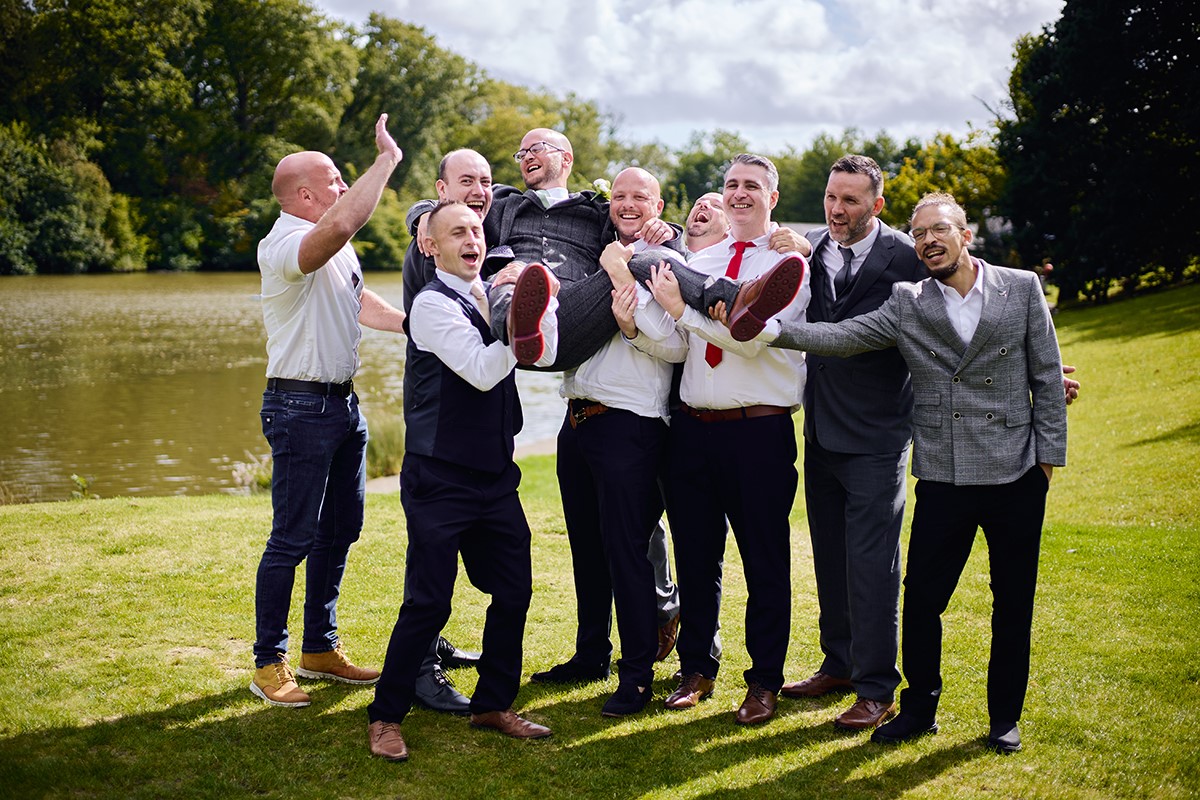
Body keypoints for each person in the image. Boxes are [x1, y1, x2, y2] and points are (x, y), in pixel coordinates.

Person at [748, 192, 1068, 753]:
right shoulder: (908, 300)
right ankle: (919, 708)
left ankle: (1003, 719)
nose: (927, 242)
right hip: (943, 474)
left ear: (965, 235)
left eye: (938, 230)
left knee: (1012, 602)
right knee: (921, 600)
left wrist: (1045, 463)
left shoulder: (1021, 288)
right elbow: (843, 336)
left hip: (1015, 475)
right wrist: (768, 331)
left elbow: (1046, 376)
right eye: (918, 235)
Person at [366, 201, 560, 761]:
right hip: (440, 478)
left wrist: (533, 312)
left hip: (496, 475)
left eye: (476, 229)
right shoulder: (430, 305)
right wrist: (519, 336)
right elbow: (480, 371)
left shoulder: (491, 294)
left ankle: (493, 704)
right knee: (428, 602)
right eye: (457, 232)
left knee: (515, 590)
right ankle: (385, 716)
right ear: (431, 247)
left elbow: (541, 348)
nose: (472, 238)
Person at [647, 154, 809, 726]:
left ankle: (764, 681)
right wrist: (644, 324)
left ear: (773, 194)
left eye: (752, 186)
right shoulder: (699, 261)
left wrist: (683, 313)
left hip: (759, 430)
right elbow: (676, 347)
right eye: (732, 185)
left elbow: (753, 341)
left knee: (764, 561)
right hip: (693, 428)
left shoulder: (791, 262)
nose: (740, 195)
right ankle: (696, 669)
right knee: (696, 558)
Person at [251, 114, 406, 707]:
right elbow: (342, 225)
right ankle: (270, 662)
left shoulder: (331, 250)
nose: (343, 188)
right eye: (336, 179)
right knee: (291, 537)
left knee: (341, 529)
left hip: (342, 406)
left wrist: (411, 323)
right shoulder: (286, 243)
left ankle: (319, 647)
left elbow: (358, 299)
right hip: (298, 407)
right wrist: (384, 162)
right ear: (306, 194)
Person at [773, 154, 928, 732]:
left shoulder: (909, 258)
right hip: (820, 429)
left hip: (880, 433)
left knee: (872, 565)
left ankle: (875, 686)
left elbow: (973, 301)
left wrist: (1043, 366)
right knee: (831, 556)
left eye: (851, 201)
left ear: (877, 205)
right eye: (832, 199)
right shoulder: (810, 250)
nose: (837, 211)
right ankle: (837, 663)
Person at [541, 168, 689, 716]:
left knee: (628, 554)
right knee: (586, 548)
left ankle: (637, 674)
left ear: (658, 204)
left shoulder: (667, 262)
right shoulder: (594, 257)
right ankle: (590, 655)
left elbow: (676, 346)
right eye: (620, 196)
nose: (628, 204)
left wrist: (631, 322)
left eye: (640, 197)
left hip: (631, 425)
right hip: (576, 419)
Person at [395, 148, 496, 715]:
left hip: (474, 431)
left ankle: (432, 646)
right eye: (465, 182)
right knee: (430, 564)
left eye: (485, 181)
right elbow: (423, 215)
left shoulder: (475, 238)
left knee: (454, 559)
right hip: (438, 422)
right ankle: (419, 668)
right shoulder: (429, 245)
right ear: (440, 189)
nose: (478, 189)